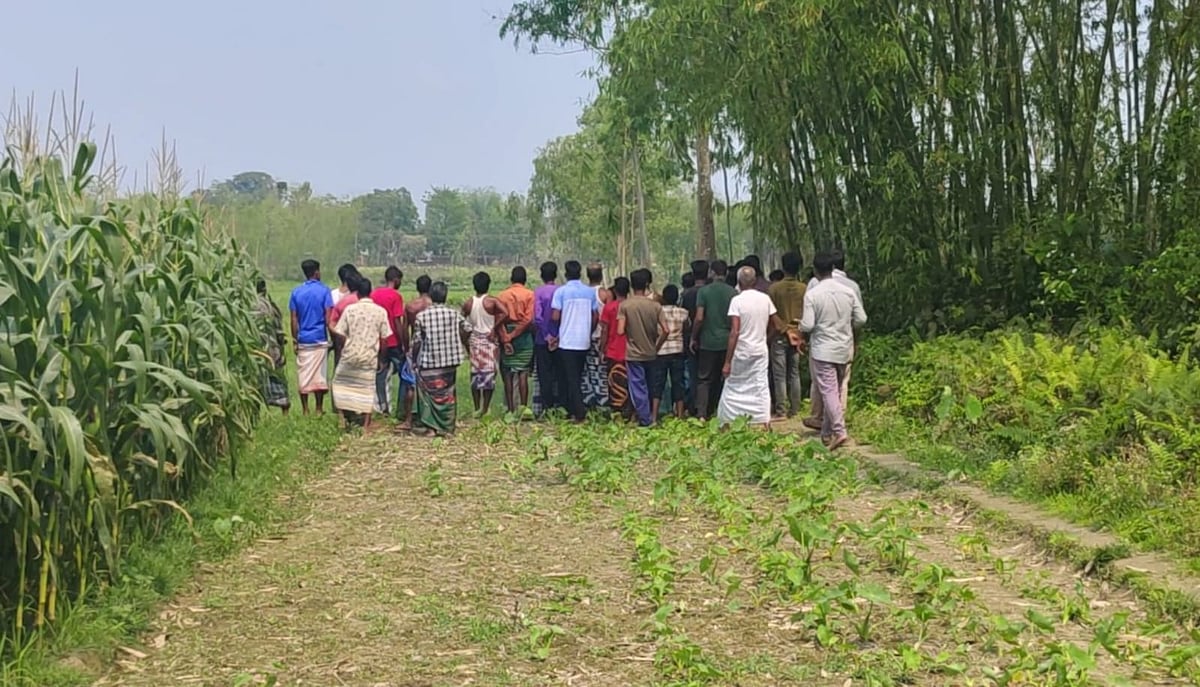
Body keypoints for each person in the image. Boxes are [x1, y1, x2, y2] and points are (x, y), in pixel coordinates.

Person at [801, 252, 867, 449]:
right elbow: (861, 319)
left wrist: (804, 330)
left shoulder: (813, 293)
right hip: (844, 346)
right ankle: (827, 433)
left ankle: (839, 430)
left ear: (815, 271)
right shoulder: (848, 292)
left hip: (823, 349)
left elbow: (807, 324)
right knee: (836, 390)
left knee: (829, 391)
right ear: (833, 270)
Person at [717, 266, 777, 427]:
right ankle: (764, 420)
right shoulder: (765, 299)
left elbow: (735, 331)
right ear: (755, 280)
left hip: (741, 351)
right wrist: (765, 339)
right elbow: (776, 325)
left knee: (734, 385)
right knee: (760, 385)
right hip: (759, 350)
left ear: (738, 282)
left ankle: (727, 420)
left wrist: (727, 361)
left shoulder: (737, 301)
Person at [331, 276, 392, 431]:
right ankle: (366, 424)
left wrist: (348, 343)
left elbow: (339, 331)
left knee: (340, 384)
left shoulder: (350, 310)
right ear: (370, 292)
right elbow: (384, 338)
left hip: (350, 354)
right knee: (367, 388)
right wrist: (382, 358)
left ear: (357, 294)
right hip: (369, 355)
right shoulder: (380, 312)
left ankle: (342, 418)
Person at [412, 281, 472, 437]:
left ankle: (431, 427)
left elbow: (417, 341)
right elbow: (467, 328)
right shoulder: (453, 313)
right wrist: (460, 341)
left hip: (430, 362)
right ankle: (447, 428)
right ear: (445, 296)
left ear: (431, 296)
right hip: (450, 362)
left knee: (430, 394)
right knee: (448, 394)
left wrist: (413, 359)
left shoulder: (422, 316)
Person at [551, 260, 601, 422]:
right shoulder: (589, 292)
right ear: (580, 274)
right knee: (577, 375)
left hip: (567, 340)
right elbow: (595, 316)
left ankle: (578, 412)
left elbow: (555, 316)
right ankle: (574, 409)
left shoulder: (561, 292)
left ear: (566, 274)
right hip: (583, 340)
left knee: (570, 378)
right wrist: (589, 330)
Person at [618, 270, 667, 427]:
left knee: (638, 387)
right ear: (647, 284)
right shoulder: (655, 306)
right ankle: (652, 416)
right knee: (652, 385)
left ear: (632, 285)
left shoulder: (625, 305)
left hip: (634, 353)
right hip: (651, 353)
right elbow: (666, 330)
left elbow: (620, 330)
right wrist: (656, 346)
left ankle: (645, 420)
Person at [288, 259, 333, 415]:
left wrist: (295, 339)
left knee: (304, 374)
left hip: (304, 339)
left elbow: (294, 318)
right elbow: (328, 318)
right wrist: (332, 336)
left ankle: (305, 409)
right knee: (319, 376)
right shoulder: (325, 291)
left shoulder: (296, 292)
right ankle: (319, 408)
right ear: (317, 272)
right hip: (319, 338)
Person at [462, 271, 510, 418]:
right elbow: (505, 312)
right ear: (488, 285)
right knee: (489, 374)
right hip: (489, 342)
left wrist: (465, 342)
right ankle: (485, 407)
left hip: (475, 341)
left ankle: (477, 407)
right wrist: (494, 328)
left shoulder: (469, 302)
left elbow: (462, 322)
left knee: (475, 375)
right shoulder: (492, 301)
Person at [691, 260, 734, 420]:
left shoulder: (704, 292)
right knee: (723, 378)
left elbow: (699, 317)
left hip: (708, 341)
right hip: (727, 342)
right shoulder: (733, 293)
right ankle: (720, 411)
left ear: (712, 273)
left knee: (704, 379)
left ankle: (702, 414)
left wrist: (694, 337)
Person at [768, 251, 807, 419]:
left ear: (783, 267)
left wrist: (782, 329)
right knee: (794, 373)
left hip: (779, 334)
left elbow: (771, 314)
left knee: (779, 375)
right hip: (798, 335)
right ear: (799, 267)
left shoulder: (774, 289)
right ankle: (796, 409)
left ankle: (781, 410)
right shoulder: (804, 288)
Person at [497, 266, 535, 415]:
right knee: (523, 373)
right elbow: (527, 319)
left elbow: (499, 319)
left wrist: (506, 338)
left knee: (507, 373)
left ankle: (510, 409)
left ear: (511, 279)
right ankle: (524, 408)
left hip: (506, 332)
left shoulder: (502, 295)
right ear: (525, 280)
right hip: (524, 336)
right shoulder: (530, 295)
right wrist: (514, 334)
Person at [370, 266, 406, 416]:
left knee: (380, 374)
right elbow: (397, 321)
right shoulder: (396, 296)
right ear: (396, 279)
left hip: (378, 340)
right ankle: (403, 409)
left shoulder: (374, 294)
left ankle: (383, 407)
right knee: (405, 374)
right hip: (393, 342)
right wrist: (403, 342)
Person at [397, 275, 431, 430]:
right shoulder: (433, 305)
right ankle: (428, 419)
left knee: (411, 384)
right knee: (431, 384)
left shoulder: (411, 306)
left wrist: (405, 348)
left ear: (417, 288)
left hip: (414, 347)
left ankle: (409, 419)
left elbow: (405, 330)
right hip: (430, 347)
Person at [255, 279, 290, 415]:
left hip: (254, 350)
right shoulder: (270, 306)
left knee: (255, 383)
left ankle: (255, 412)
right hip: (271, 348)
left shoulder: (245, 306)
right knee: (277, 379)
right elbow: (278, 328)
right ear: (264, 289)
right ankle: (285, 413)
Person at [653, 284, 688, 420]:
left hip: (661, 351)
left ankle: (654, 416)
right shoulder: (683, 312)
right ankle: (679, 415)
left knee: (658, 384)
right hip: (677, 350)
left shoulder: (658, 311)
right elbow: (687, 327)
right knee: (678, 383)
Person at [598, 277, 630, 419]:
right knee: (628, 381)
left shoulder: (609, 307)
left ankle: (616, 410)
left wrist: (602, 348)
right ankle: (628, 410)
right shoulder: (631, 306)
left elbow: (604, 330)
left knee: (613, 381)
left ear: (615, 290)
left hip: (612, 350)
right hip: (630, 350)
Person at [532, 262, 561, 416]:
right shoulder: (561, 291)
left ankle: (546, 408)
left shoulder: (538, 292)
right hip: (560, 341)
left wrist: (547, 337)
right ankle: (559, 407)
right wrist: (556, 337)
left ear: (542, 275)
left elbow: (537, 318)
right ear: (555, 275)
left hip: (542, 341)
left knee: (544, 375)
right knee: (559, 374)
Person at [681, 260, 708, 415]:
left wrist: (691, 336)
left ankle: (692, 407)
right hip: (708, 339)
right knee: (709, 375)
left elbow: (687, 318)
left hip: (691, 338)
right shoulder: (710, 291)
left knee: (693, 375)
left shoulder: (687, 294)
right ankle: (708, 407)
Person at [583, 263, 611, 410]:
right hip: (601, 336)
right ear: (601, 276)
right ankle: (603, 403)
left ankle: (588, 402)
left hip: (586, 337)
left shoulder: (584, 292)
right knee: (600, 370)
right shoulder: (605, 294)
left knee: (587, 371)